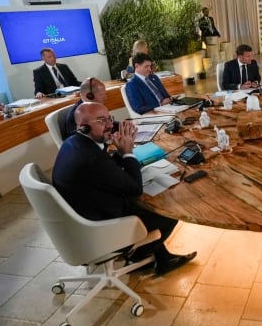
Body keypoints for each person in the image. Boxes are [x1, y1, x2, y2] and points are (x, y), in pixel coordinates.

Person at [52, 102, 196, 276]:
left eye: (109, 118)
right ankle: (136, 255)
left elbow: (107, 166)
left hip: (82, 216)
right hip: (99, 227)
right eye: (101, 120)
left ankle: (163, 258)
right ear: (82, 126)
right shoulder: (92, 159)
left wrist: (120, 153)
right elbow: (134, 188)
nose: (110, 125)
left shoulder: (73, 142)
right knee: (168, 214)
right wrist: (128, 152)